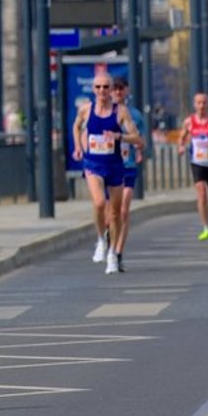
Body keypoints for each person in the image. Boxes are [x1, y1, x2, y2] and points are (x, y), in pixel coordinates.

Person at [72, 66, 142, 275]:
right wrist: (78, 147)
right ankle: (101, 240)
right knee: (100, 203)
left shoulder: (120, 112)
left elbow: (137, 138)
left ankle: (113, 254)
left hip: (115, 165)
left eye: (105, 87)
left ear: (111, 89)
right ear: (93, 89)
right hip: (93, 163)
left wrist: (120, 136)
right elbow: (76, 126)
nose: (102, 90)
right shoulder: (86, 109)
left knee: (116, 213)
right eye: (98, 87)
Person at [109, 76, 146, 273]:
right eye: (114, 88)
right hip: (107, 166)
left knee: (123, 210)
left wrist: (139, 149)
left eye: (121, 88)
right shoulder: (103, 113)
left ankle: (118, 252)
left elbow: (141, 140)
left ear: (127, 90)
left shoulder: (135, 115)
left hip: (128, 165)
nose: (117, 92)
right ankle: (109, 242)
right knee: (110, 212)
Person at [178, 91, 208, 241]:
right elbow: (182, 137)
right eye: (199, 103)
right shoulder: (189, 121)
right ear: (194, 105)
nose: (201, 106)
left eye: (204, 102)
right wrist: (181, 146)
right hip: (197, 162)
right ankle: (205, 227)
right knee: (201, 193)